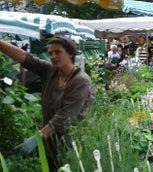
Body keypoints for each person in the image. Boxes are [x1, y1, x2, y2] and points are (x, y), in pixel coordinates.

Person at [0, 37, 93, 171]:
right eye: (50, 53)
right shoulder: (52, 71)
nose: (53, 56)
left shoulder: (80, 81)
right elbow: (25, 57)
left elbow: (65, 115)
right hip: (50, 144)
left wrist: (36, 138)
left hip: (70, 146)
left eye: (57, 52)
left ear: (70, 53)